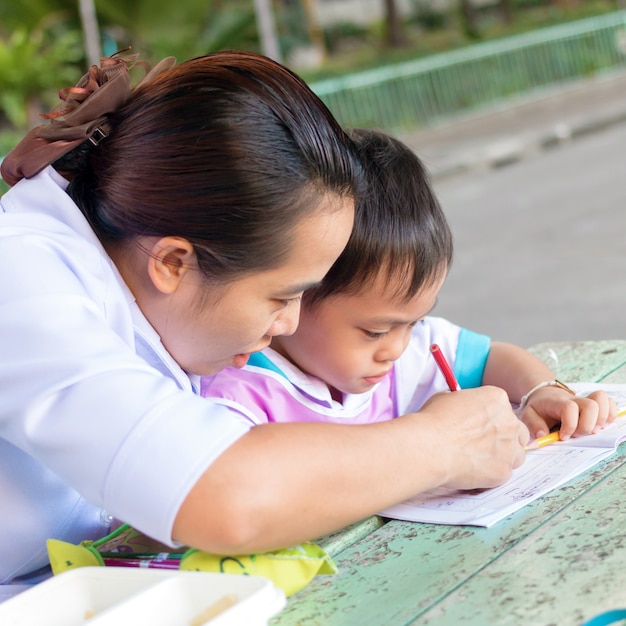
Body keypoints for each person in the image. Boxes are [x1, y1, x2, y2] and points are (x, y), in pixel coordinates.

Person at [0, 51, 528, 590]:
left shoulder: (120, 289)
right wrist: (442, 445)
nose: (290, 324)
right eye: (282, 296)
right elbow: (223, 494)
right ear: (173, 263)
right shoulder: (20, 281)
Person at [201, 128, 615, 440]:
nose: (397, 349)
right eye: (375, 331)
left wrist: (541, 391)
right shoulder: (240, 395)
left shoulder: (405, 353)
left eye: (414, 323)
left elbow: (492, 357)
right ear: (295, 294)